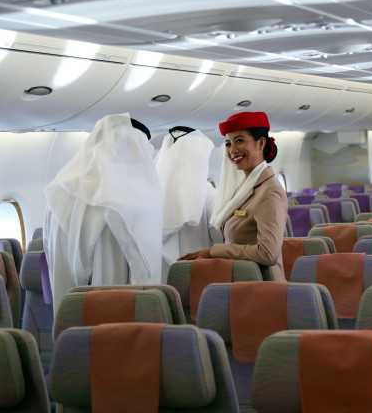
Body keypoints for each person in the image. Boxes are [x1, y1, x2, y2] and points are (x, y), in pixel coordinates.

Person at [43, 114, 163, 313]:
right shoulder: (133, 201)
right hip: (119, 316)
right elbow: (143, 271)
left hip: (67, 314)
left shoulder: (58, 192)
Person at [179, 111, 288, 281]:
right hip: (242, 282)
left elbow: (268, 253)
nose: (232, 150)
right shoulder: (243, 187)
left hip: (265, 287)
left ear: (261, 143)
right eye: (228, 143)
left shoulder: (269, 191)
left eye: (239, 140)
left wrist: (213, 251)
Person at [155, 126, 222, 282]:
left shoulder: (151, 196)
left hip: (159, 284)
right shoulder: (212, 196)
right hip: (201, 280)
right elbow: (221, 244)